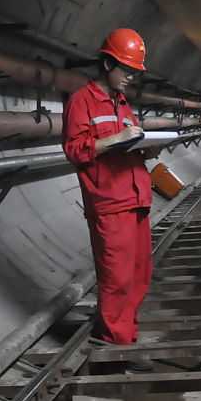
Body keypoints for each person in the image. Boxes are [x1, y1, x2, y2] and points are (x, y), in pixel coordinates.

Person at [62, 28, 160, 348]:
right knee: (117, 276)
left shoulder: (122, 104)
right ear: (107, 64)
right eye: (127, 70)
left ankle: (126, 332)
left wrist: (146, 149)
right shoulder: (82, 102)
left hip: (136, 197)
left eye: (134, 72)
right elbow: (75, 150)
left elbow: (125, 146)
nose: (131, 77)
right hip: (110, 201)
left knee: (139, 273)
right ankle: (114, 341)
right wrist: (116, 139)